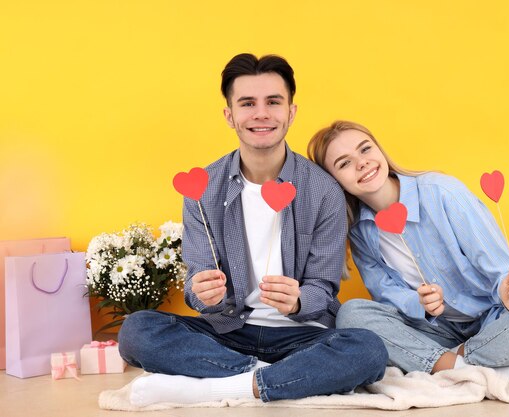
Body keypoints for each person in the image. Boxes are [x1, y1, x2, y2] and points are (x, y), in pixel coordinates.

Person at [118, 57, 387, 406]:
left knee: (367, 350)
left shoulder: (324, 191)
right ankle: (271, 377)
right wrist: (203, 294)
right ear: (230, 115)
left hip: (302, 336)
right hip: (226, 332)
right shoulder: (203, 188)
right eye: (247, 103)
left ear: (291, 112)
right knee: (137, 331)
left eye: (273, 102)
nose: (261, 113)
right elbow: (196, 286)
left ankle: (222, 384)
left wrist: (300, 301)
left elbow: (324, 288)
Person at [307, 120, 509, 377]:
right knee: (351, 314)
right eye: (344, 163)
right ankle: (488, 367)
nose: (361, 162)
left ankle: (448, 365)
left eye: (365, 149)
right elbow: (386, 295)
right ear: (334, 181)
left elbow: (501, 269)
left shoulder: (441, 192)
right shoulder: (359, 231)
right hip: (433, 331)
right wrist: (420, 303)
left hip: (494, 320)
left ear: (379, 151)